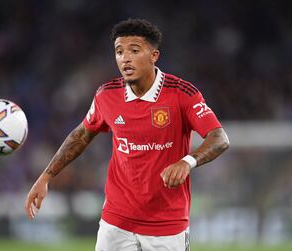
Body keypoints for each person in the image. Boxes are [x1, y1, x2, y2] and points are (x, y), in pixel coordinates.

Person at [25, 18, 229, 251]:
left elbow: (219, 138)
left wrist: (187, 161)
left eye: (134, 50)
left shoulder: (182, 94)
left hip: (167, 225)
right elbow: (81, 135)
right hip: (117, 222)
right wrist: (46, 176)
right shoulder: (106, 95)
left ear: (154, 56)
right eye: (119, 52)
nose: (125, 58)